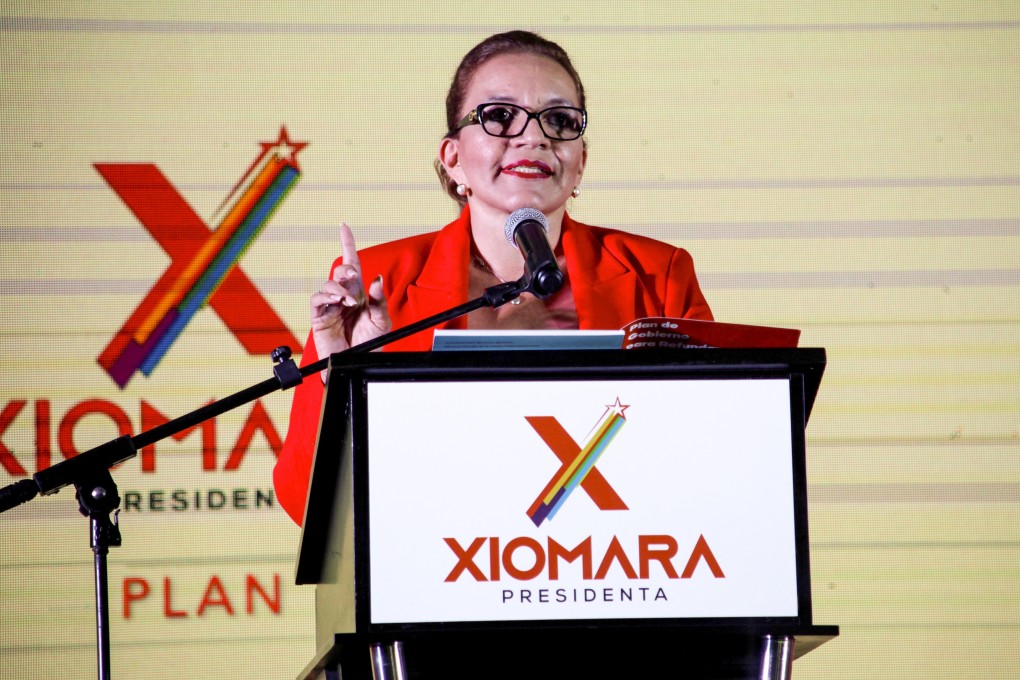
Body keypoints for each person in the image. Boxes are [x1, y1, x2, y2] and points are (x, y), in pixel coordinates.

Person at [273, 30, 713, 525]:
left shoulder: (658, 274)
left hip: (616, 563)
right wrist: (338, 374)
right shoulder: (381, 281)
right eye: (500, 116)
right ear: (453, 156)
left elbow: (711, 453)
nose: (534, 136)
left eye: (560, 120)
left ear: (581, 161)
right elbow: (303, 500)